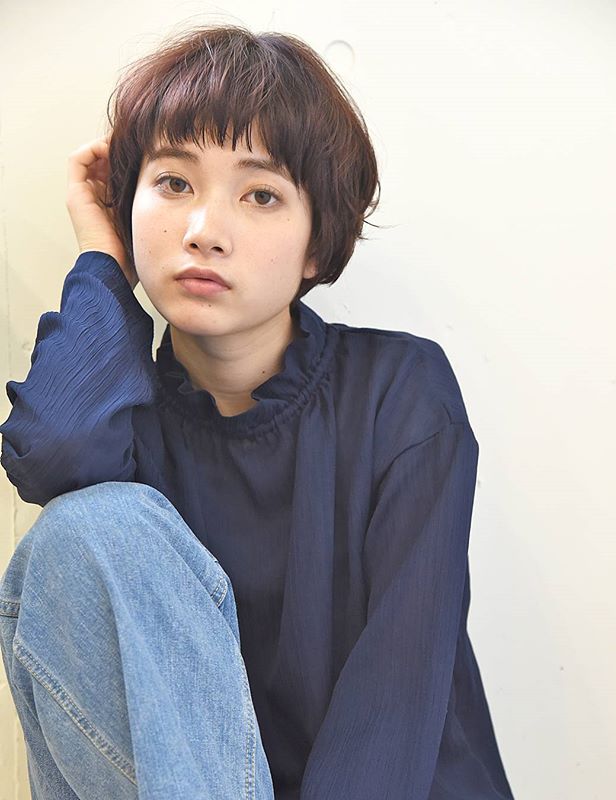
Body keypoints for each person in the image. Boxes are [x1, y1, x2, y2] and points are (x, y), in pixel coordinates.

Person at [0, 23, 515, 800]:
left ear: (317, 246)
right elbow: (55, 454)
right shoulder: (123, 421)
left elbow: (398, 695)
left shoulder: (401, 393)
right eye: (173, 184)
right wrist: (102, 258)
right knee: (86, 529)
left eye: (261, 195)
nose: (204, 232)